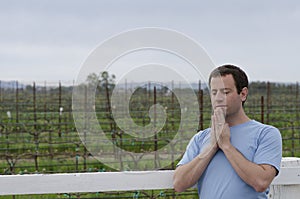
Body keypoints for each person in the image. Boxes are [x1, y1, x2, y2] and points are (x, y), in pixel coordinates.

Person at [173, 64, 282, 199]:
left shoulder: (266, 134)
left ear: (243, 94)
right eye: (214, 92)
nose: (218, 98)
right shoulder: (200, 138)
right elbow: (179, 183)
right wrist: (211, 147)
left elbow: (261, 182)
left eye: (225, 92)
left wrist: (226, 145)